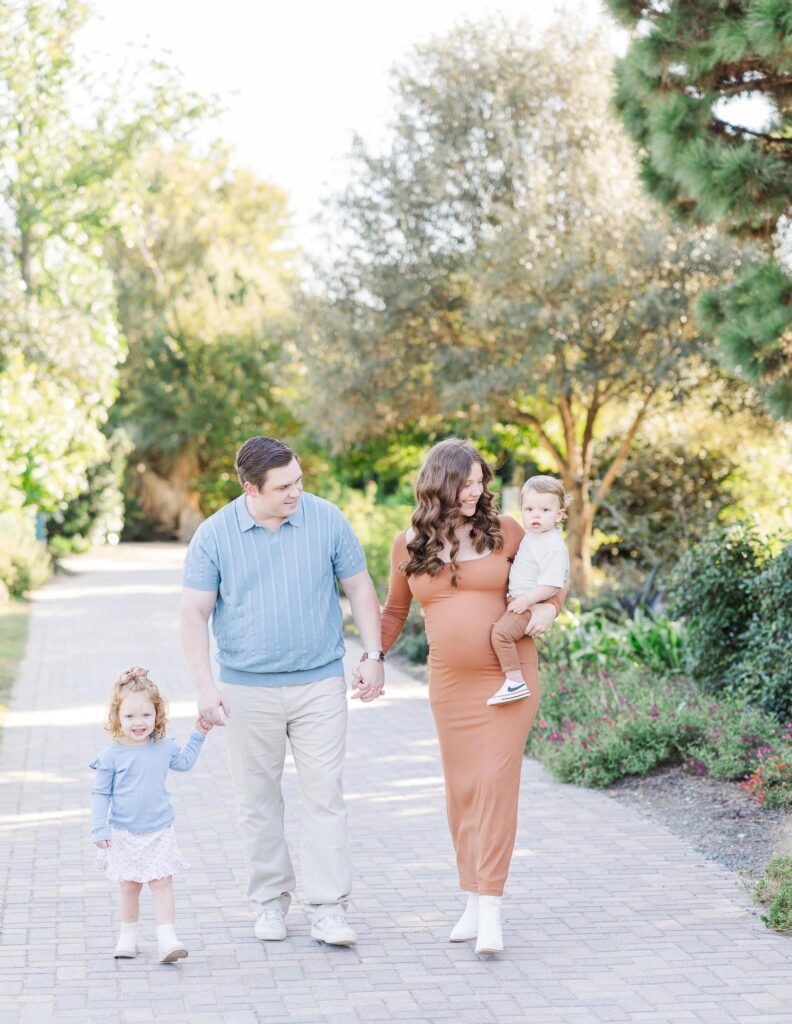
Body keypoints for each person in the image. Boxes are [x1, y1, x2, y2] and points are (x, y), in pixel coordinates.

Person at [180, 436, 384, 948]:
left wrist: (374, 655)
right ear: (251, 488)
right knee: (257, 802)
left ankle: (329, 909)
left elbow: (359, 587)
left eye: (299, 480)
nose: (297, 491)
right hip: (246, 690)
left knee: (324, 797)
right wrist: (205, 688)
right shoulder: (215, 535)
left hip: (319, 682)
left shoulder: (326, 518)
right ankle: (270, 902)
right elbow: (194, 613)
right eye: (284, 486)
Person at [378, 439, 564, 954]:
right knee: (462, 791)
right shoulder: (408, 543)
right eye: (466, 482)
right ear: (439, 483)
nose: (476, 490)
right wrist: (372, 657)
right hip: (450, 687)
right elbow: (394, 613)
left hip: (510, 678)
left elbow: (553, 579)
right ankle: (472, 897)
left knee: (494, 785)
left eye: (481, 481)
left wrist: (548, 612)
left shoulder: (508, 532)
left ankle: (493, 906)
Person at [89, 666, 211, 963]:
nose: (138, 722)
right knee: (130, 886)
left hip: (158, 830)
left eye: (146, 715)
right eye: (129, 716)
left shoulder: (162, 747)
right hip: (123, 832)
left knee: (161, 883)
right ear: (116, 717)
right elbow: (100, 794)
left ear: (157, 715)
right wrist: (98, 829)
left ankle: (167, 938)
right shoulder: (111, 756)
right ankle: (128, 936)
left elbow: (183, 763)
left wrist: (198, 734)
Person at [487, 475, 569, 706]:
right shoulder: (534, 536)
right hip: (522, 599)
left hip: (529, 604)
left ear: (559, 514)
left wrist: (526, 602)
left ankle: (514, 681)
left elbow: (553, 583)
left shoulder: (552, 545)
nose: (536, 515)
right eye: (529, 509)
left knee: (501, 634)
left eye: (544, 509)